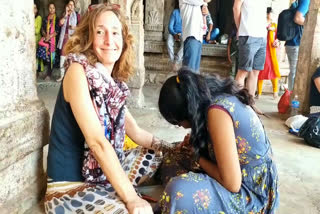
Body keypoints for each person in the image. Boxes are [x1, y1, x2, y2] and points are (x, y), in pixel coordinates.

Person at [44, 4, 174, 213]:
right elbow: (97, 143)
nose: (109, 40)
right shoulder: (77, 71)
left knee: (158, 156)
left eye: (115, 32)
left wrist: (173, 148)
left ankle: (118, 188)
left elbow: (136, 132)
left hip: (99, 175)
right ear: (88, 37)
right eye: (100, 32)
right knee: (133, 211)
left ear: (123, 40)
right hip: (70, 187)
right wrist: (131, 198)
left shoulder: (108, 81)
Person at [157, 68, 279, 213]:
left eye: (178, 122)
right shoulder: (210, 97)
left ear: (187, 111)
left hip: (250, 193)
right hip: (237, 175)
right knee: (173, 158)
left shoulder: (217, 112)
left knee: (179, 192)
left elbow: (232, 184)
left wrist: (197, 157)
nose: (181, 127)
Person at [233, 0, 267, 98]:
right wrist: (240, 28)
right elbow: (236, 8)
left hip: (262, 36)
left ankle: (250, 104)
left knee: (255, 72)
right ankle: (237, 105)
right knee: (243, 71)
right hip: (248, 34)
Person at [285, 0, 310, 91]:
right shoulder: (306, 1)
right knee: (295, 72)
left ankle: (291, 96)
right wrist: (312, 25)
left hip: (292, 43)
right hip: (295, 43)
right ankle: (291, 98)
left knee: (293, 71)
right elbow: (298, 18)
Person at [179, 0, 210, 73]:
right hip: (191, 36)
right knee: (189, 72)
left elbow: (204, 28)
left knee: (195, 72)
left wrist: (204, 14)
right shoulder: (198, 2)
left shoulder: (199, 5)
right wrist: (205, 4)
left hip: (198, 38)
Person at [257, 7, 281, 99]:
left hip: (271, 51)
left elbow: (278, 37)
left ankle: (275, 92)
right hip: (262, 49)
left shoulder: (274, 25)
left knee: (273, 70)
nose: (272, 15)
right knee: (260, 71)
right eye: (271, 13)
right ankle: (259, 93)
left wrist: (277, 42)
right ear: (266, 14)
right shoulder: (261, 24)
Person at [56, 0, 81, 82]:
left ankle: (71, 77)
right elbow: (60, 24)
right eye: (69, 5)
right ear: (67, 6)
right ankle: (62, 76)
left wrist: (74, 28)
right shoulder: (64, 15)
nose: (70, 7)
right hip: (64, 38)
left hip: (72, 39)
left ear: (74, 6)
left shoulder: (77, 16)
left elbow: (81, 28)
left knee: (72, 57)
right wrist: (66, 14)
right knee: (62, 57)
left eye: (72, 5)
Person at [36, 2, 60, 81]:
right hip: (46, 41)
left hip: (52, 41)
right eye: (50, 8)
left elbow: (57, 30)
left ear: (55, 9)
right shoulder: (45, 18)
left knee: (51, 58)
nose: (51, 9)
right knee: (46, 57)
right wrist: (45, 35)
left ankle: (49, 74)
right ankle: (41, 72)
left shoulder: (57, 19)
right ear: (48, 9)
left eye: (53, 8)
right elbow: (42, 29)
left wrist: (49, 36)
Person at [167, 0, 183, 72]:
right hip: (173, 32)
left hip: (183, 33)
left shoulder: (187, 13)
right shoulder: (175, 12)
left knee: (185, 44)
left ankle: (177, 60)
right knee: (169, 42)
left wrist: (180, 34)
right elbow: (170, 26)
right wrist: (174, 34)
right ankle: (172, 60)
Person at [34, 3, 43, 73]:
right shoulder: (30, 17)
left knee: (37, 56)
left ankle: (37, 71)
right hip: (31, 40)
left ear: (37, 10)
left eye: (35, 8)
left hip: (37, 40)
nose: (33, 10)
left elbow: (37, 31)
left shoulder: (38, 18)